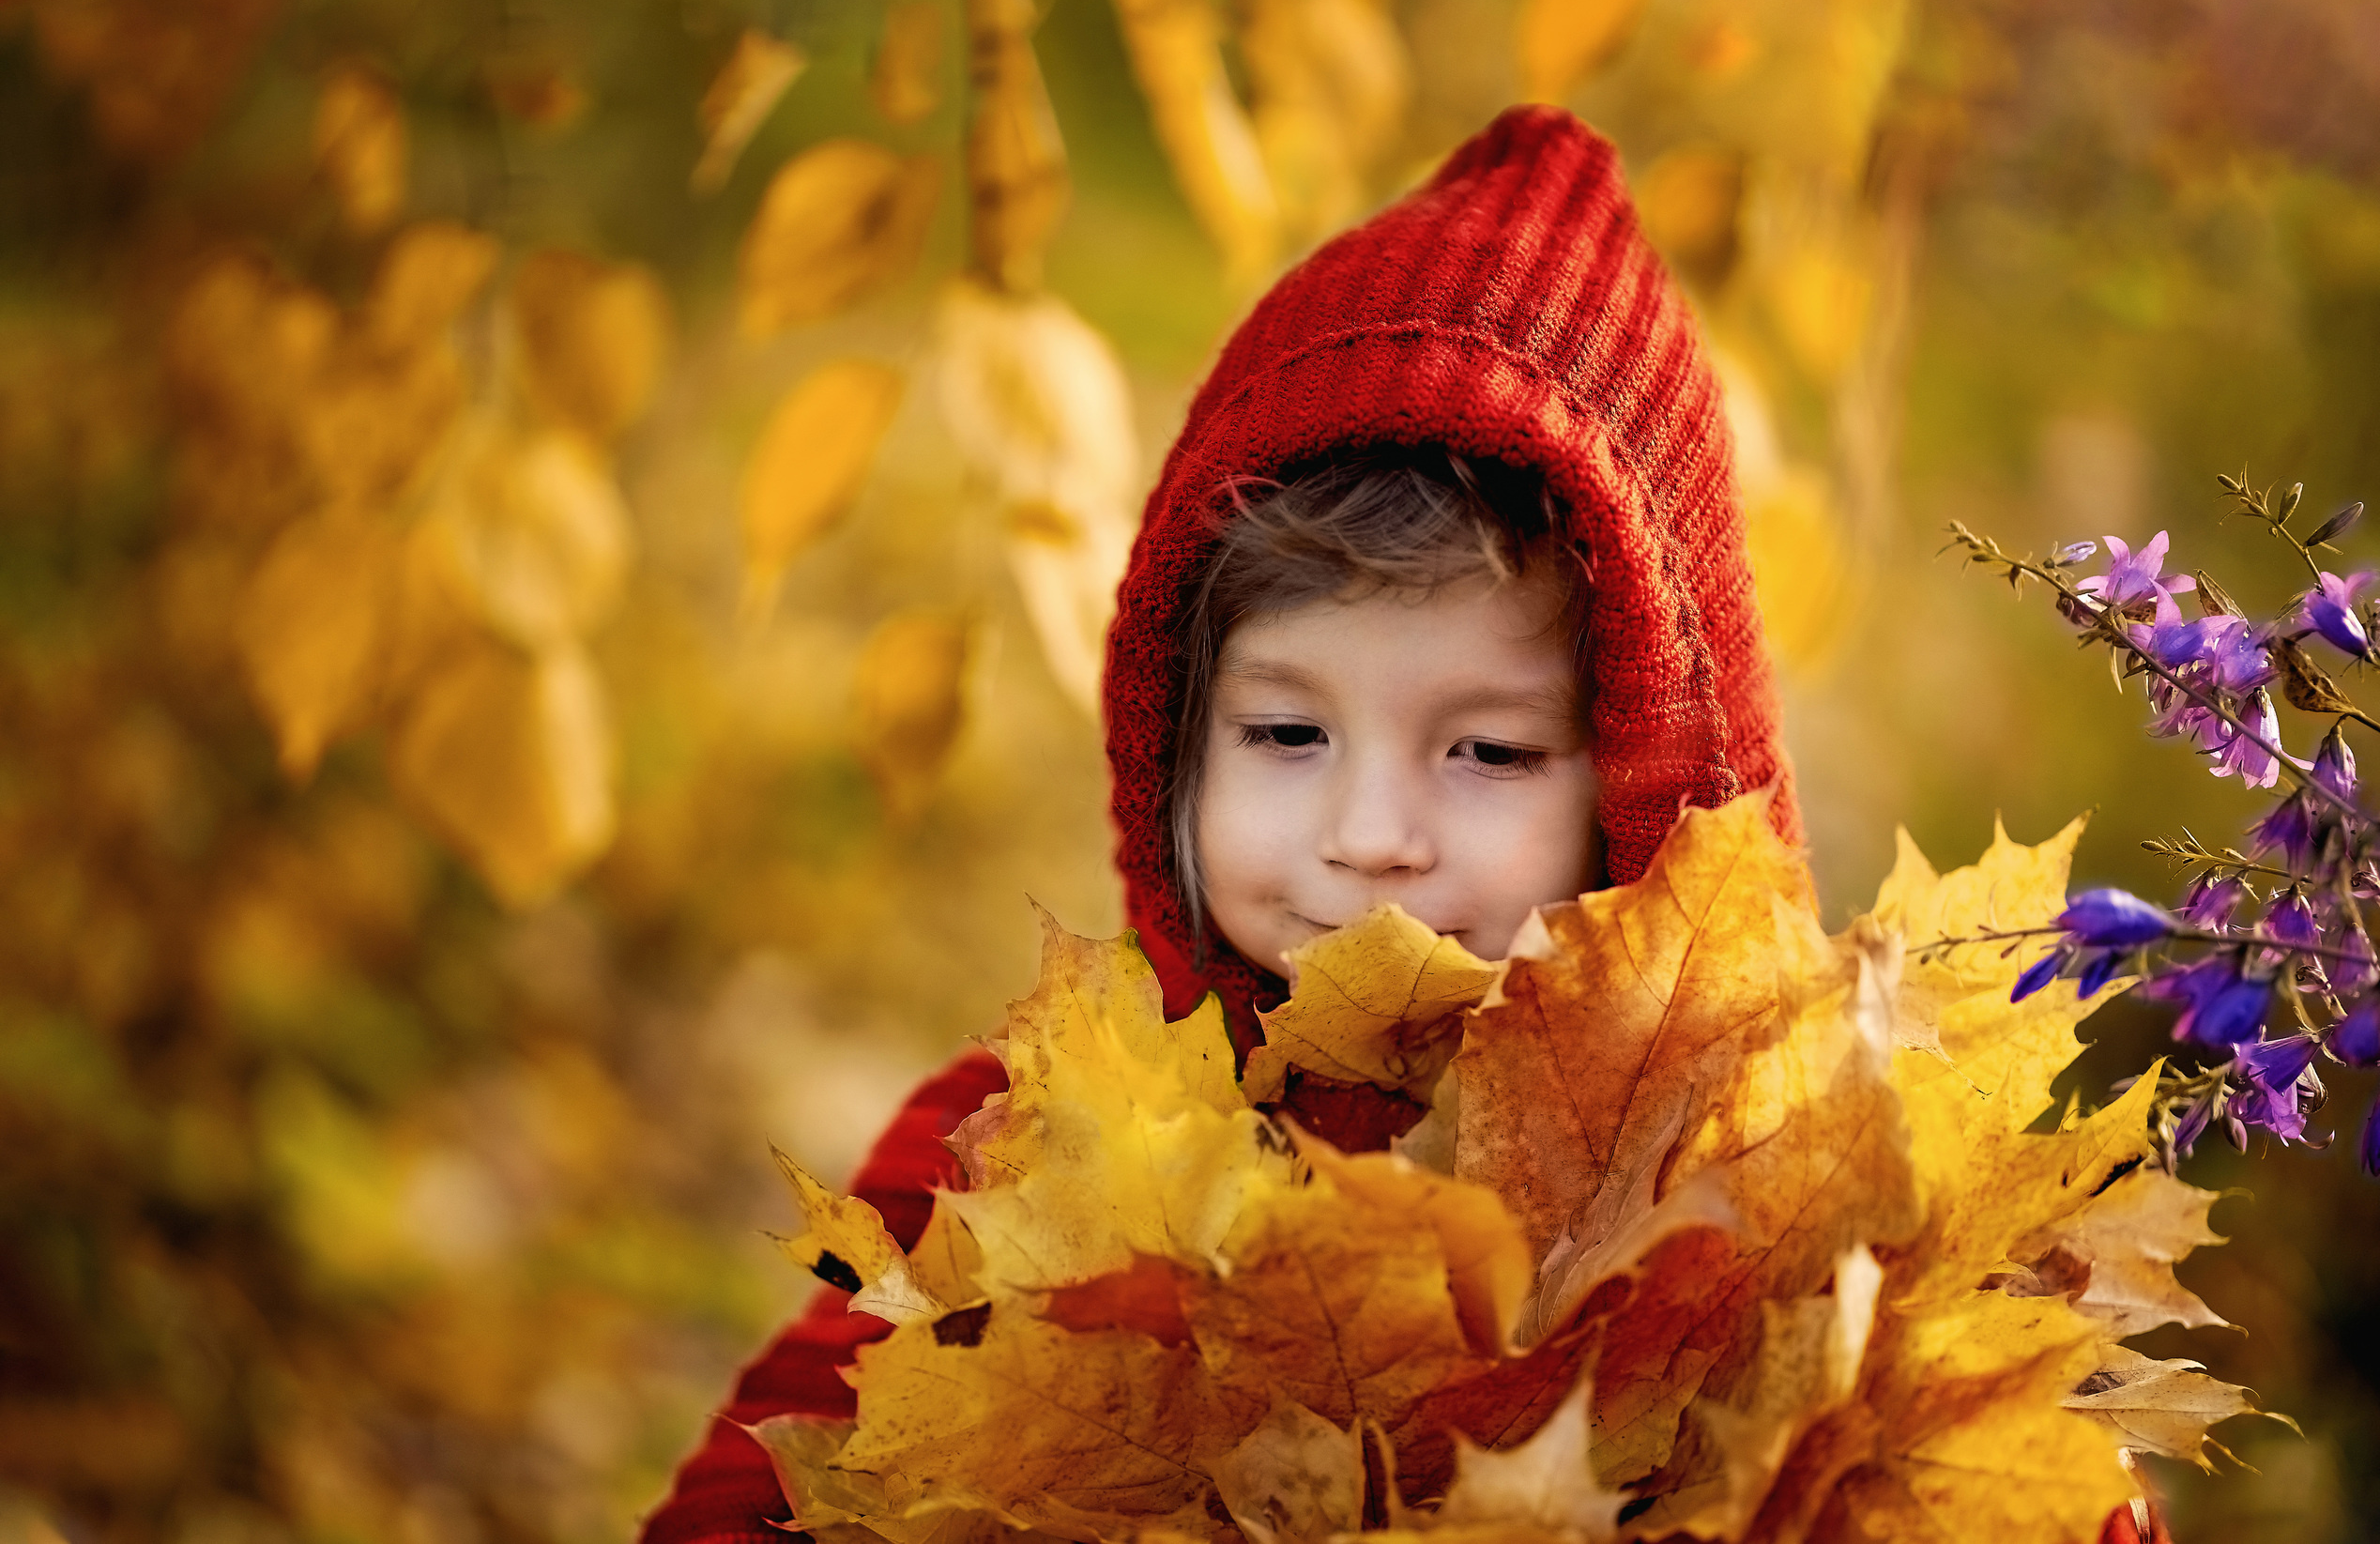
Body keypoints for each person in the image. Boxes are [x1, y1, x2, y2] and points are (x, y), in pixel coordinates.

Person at [637, 106, 2159, 1544]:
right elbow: (755, 1487)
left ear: (1651, 787)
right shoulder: (1024, 1145)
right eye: (1287, 735)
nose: (1370, 836)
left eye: (1488, 752)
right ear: (1175, 741)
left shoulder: (1807, 1215)